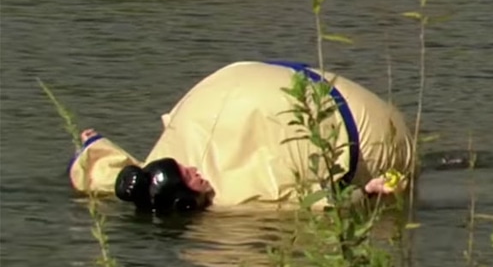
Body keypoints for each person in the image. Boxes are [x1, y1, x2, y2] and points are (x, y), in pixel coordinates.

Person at [68, 60, 415, 215]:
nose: (195, 169)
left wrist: (95, 146)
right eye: (189, 177)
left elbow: (112, 177)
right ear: (185, 202)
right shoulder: (237, 194)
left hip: (349, 115)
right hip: (370, 130)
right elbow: (308, 200)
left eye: (187, 168)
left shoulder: (169, 158)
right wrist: (367, 192)